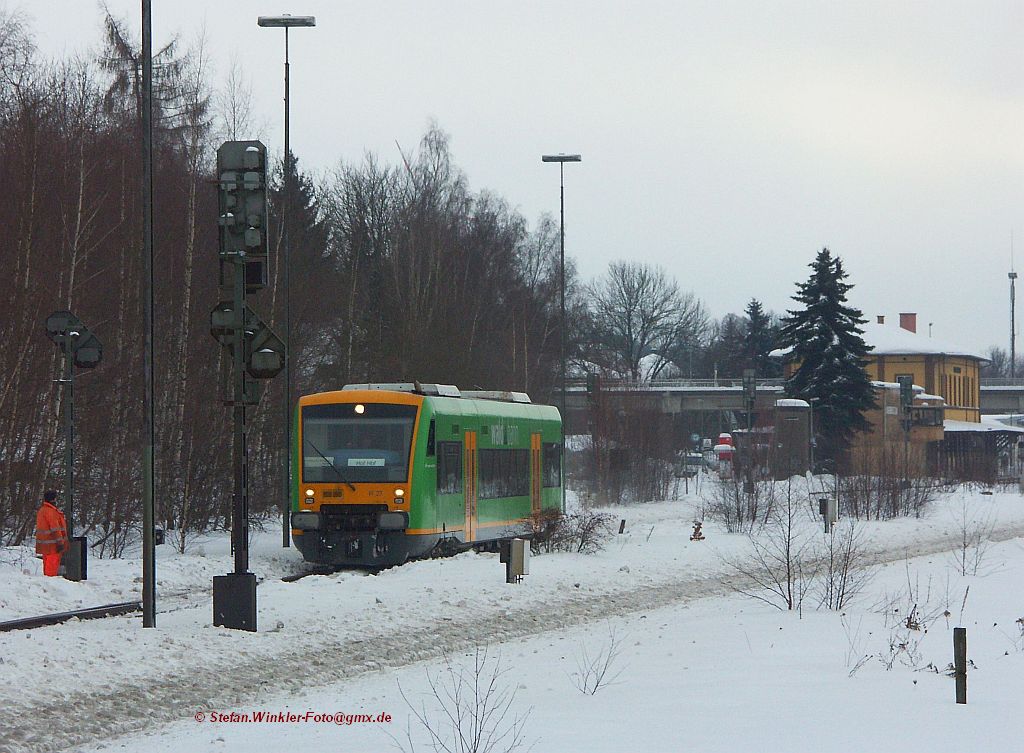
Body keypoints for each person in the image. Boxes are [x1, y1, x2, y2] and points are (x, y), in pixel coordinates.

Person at [36, 490, 69, 577]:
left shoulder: (42, 510)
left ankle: (47, 583)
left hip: (45, 545)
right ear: (53, 499)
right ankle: (51, 585)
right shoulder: (51, 512)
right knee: (52, 570)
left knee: (47, 567)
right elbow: (55, 529)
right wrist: (60, 543)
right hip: (53, 546)